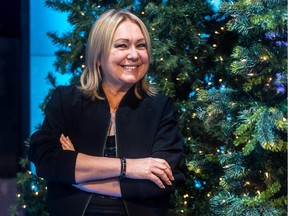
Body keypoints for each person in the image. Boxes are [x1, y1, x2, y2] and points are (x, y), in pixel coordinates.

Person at [28, 8, 184, 216]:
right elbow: (46, 161)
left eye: (141, 45)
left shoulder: (160, 107)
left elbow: (162, 181)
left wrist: (79, 176)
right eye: (121, 45)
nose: (134, 54)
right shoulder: (67, 100)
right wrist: (130, 167)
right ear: (98, 56)